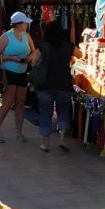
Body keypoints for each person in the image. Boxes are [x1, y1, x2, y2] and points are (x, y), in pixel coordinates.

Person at [0, 12, 38, 144]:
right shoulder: (6, 36)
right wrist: (11, 58)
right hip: (9, 73)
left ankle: (19, 132)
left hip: (22, 72)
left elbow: (33, 51)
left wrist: (28, 58)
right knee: (7, 103)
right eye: (25, 22)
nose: (27, 25)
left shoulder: (26, 36)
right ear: (18, 24)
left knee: (21, 103)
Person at [36, 20, 74, 152]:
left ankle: (45, 144)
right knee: (63, 110)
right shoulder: (69, 46)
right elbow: (81, 55)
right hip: (64, 83)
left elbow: (34, 60)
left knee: (45, 112)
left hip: (45, 84)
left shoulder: (43, 46)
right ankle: (62, 139)